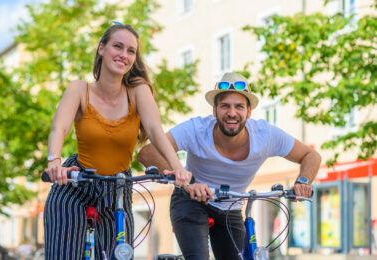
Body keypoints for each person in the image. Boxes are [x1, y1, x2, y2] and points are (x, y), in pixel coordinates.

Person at [43, 22, 191, 260]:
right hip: (77, 180)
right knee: (64, 252)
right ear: (101, 49)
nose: (124, 55)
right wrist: (54, 162)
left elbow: (155, 129)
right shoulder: (79, 90)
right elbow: (58, 128)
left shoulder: (138, 92)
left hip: (119, 186)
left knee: (120, 254)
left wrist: (177, 168)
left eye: (131, 51)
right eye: (117, 46)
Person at [137, 72, 321, 260]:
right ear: (214, 110)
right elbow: (147, 153)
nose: (232, 113)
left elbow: (311, 155)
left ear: (249, 112)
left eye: (239, 106)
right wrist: (187, 182)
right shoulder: (196, 129)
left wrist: (303, 181)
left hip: (231, 207)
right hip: (190, 200)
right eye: (225, 106)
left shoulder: (265, 135)